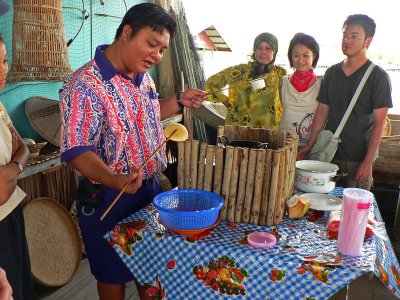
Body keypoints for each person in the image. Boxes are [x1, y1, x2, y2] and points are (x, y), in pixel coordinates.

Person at [59, 3, 207, 300]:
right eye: (151, 44)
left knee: (150, 270)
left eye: (163, 49)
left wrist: (178, 100)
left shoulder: (144, 77)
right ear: (127, 32)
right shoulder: (85, 85)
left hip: (147, 192)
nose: (157, 55)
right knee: (112, 275)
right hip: (107, 198)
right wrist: (114, 178)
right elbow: (77, 150)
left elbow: (148, 113)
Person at [298, 14, 393, 190]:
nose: (347, 40)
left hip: (357, 159)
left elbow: (379, 124)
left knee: (353, 211)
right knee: (321, 206)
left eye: (354, 36)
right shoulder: (332, 73)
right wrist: (309, 146)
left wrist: (368, 161)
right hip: (328, 155)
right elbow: (322, 111)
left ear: (368, 41)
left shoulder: (378, 77)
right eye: (344, 35)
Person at [0, 35, 32, 300]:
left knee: (18, 286)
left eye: (4, 60)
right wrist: (14, 166)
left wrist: (13, 170)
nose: (3, 71)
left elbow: (23, 148)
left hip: (11, 212)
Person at [205, 32, 287, 129]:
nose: (263, 52)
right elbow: (212, 83)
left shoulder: (280, 74)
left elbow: (285, 102)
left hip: (267, 133)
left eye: (268, 48)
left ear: (275, 51)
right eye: (259, 48)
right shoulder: (239, 71)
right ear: (254, 50)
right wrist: (228, 103)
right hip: (238, 130)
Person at [279, 33, 321, 146]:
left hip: (310, 146)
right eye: (296, 55)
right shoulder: (282, 82)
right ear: (291, 57)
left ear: (314, 56)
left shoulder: (322, 84)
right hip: (283, 144)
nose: (301, 60)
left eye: (306, 55)